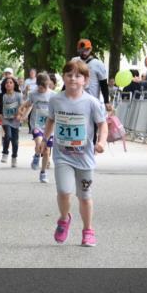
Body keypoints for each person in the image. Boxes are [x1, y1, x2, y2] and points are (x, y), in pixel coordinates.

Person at [40, 60, 108, 247]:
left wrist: (101, 142)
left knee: (85, 196)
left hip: (85, 157)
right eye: (69, 75)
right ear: (63, 77)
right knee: (64, 191)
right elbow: (51, 121)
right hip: (63, 156)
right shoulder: (55, 100)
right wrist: (45, 141)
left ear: (85, 80)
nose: (73, 79)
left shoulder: (91, 102)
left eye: (78, 76)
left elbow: (103, 125)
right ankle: (64, 219)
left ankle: (88, 230)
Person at [18, 72, 54, 183]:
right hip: (37, 124)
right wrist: (22, 110)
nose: (41, 89)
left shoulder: (53, 95)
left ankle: (43, 172)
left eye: (43, 87)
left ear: (47, 85)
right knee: (39, 143)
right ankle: (37, 155)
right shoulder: (34, 94)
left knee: (47, 150)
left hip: (49, 126)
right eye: (39, 87)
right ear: (37, 85)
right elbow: (28, 104)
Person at [72, 39, 109, 107]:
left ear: (91, 49)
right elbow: (68, 80)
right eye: (81, 50)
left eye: (86, 50)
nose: (84, 53)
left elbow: (104, 84)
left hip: (92, 102)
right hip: (75, 101)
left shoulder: (98, 64)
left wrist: (106, 102)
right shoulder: (74, 61)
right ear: (78, 50)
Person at [0, 76, 22, 166]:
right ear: (4, 85)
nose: (8, 84)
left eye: (11, 82)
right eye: (7, 83)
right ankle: (5, 153)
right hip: (6, 119)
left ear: (14, 84)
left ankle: (14, 157)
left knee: (15, 141)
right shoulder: (2, 96)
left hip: (15, 120)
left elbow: (22, 106)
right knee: (8, 135)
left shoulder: (18, 95)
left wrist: (19, 114)